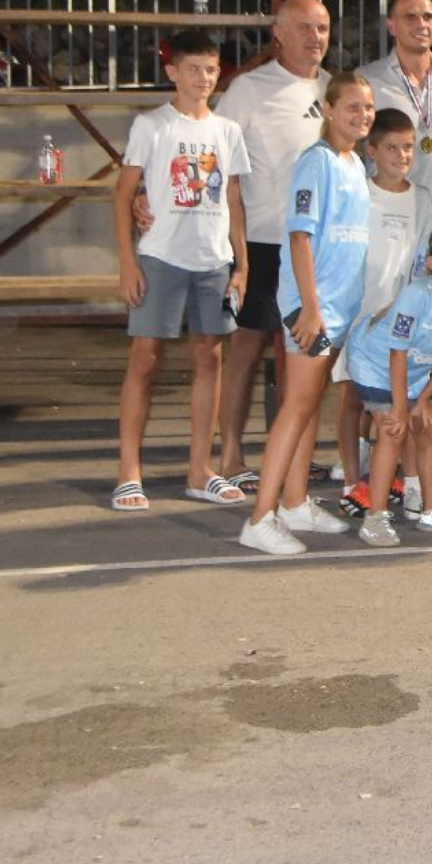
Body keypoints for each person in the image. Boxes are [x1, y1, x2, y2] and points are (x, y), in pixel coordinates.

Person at [110, 29, 251, 514]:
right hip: (161, 257)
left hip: (213, 260)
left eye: (211, 69)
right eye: (193, 69)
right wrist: (128, 262)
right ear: (172, 72)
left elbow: (232, 199)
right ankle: (129, 470)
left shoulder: (227, 131)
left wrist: (241, 265)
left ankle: (200, 469)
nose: (203, 78)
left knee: (210, 357)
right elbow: (123, 194)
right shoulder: (151, 125)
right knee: (144, 359)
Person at [238, 71, 375, 555]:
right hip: (314, 309)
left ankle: (295, 502)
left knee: (310, 404)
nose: (362, 115)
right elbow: (299, 237)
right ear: (329, 110)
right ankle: (260, 517)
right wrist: (310, 308)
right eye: (352, 107)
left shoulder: (354, 163)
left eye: (368, 108)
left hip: (339, 307)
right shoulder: (316, 162)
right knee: (295, 408)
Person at [213, 0, 331, 490]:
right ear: (278, 34)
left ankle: (294, 458)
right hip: (262, 243)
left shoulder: (333, 90)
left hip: (316, 247)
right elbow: (216, 162)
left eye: (322, 27)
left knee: (303, 356)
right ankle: (231, 457)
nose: (315, 37)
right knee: (245, 349)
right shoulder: (248, 90)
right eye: (303, 27)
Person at [346, 220, 432, 546]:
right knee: (392, 429)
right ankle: (375, 517)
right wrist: (401, 407)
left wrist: (424, 398)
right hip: (374, 362)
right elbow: (396, 352)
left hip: (415, 370)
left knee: (430, 428)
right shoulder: (416, 295)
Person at [333, 109, 432, 501]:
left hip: (399, 317)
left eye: (408, 147)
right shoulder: (358, 192)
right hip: (358, 310)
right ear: (371, 151)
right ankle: (350, 478)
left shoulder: (422, 199)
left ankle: (390, 473)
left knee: (397, 396)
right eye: (392, 148)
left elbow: (424, 259)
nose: (402, 155)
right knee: (353, 396)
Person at [359, 0, 432, 201]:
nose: (421, 24)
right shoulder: (366, 80)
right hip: (383, 211)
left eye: (428, 17)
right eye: (410, 17)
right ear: (392, 26)